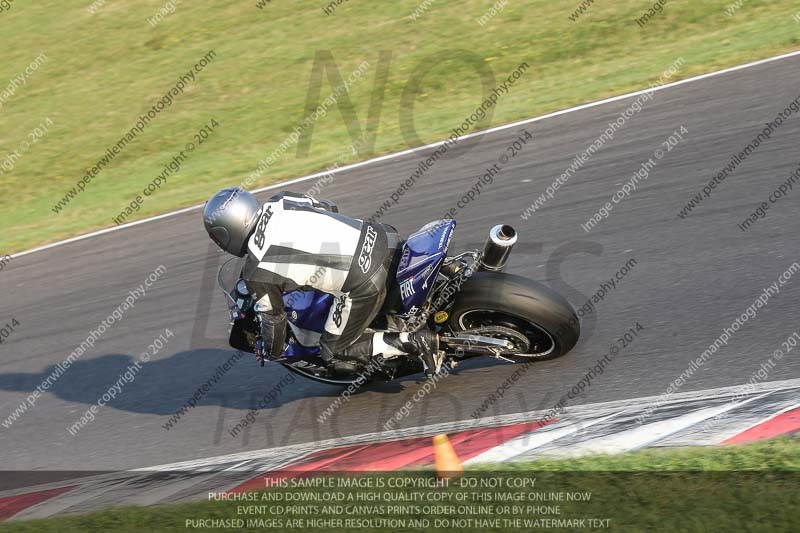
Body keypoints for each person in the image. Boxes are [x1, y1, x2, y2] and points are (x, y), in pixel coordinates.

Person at [202, 187, 444, 376]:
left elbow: (274, 318)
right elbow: (329, 207)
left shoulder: (257, 272)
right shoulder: (279, 201)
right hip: (382, 236)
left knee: (335, 351)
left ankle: (414, 342)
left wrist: (273, 351)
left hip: (364, 281)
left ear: (227, 232)